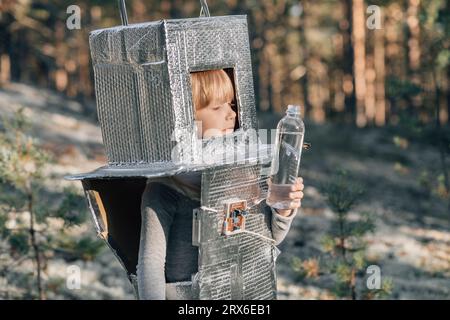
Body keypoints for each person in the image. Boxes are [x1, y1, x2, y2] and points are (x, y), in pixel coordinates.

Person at [137, 69, 304, 299]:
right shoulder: (164, 189)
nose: (231, 114)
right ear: (184, 120)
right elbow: (151, 265)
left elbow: (267, 239)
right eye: (217, 107)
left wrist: (282, 208)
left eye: (231, 104)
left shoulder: (238, 175)